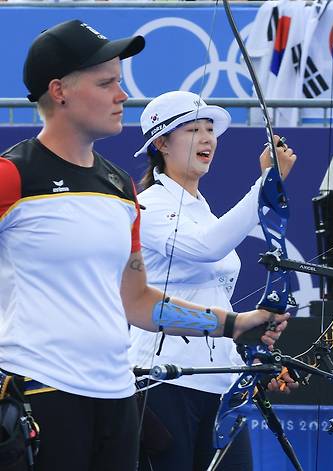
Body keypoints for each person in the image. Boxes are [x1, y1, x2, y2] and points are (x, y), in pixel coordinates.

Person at [0, 20, 288, 471]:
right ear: (59, 91)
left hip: (118, 397)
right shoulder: (12, 175)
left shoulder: (119, 188)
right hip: (41, 395)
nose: (122, 94)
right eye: (106, 82)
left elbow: (138, 303)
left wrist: (235, 324)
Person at [128, 90, 297, 471]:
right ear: (161, 143)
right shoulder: (149, 205)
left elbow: (214, 296)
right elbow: (207, 247)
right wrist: (267, 182)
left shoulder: (202, 210)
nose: (207, 139)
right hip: (164, 383)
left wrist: (254, 351)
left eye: (210, 130)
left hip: (222, 386)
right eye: (193, 130)